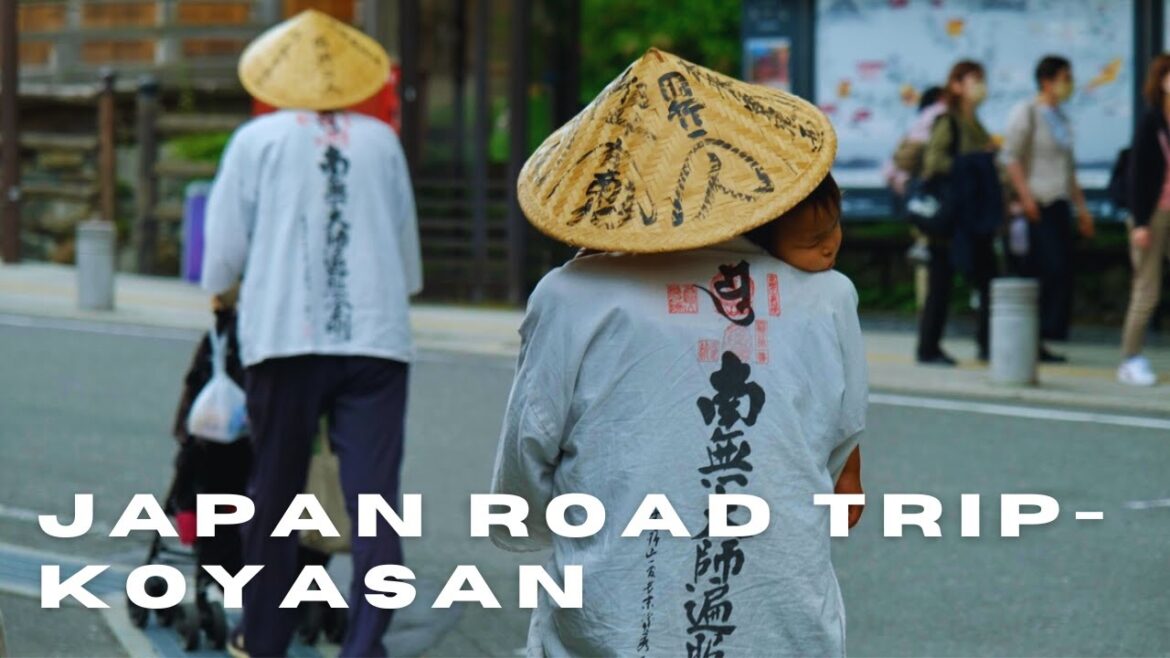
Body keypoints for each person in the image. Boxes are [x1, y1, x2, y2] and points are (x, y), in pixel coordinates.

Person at [491, 49, 866, 657]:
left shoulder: (572, 295)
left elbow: (528, 452)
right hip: (782, 621)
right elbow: (838, 466)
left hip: (615, 616)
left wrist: (541, 524)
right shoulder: (827, 296)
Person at [200, 10, 422, 658]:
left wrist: (227, 291)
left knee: (274, 492)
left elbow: (221, 257)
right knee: (375, 503)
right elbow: (407, 267)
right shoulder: (382, 142)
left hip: (284, 340)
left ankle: (263, 639)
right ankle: (364, 645)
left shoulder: (258, 140)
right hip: (377, 343)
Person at [1002, 55, 1094, 363]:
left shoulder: (1061, 118)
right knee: (1042, 270)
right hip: (1035, 206)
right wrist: (1025, 197)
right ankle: (1031, 338)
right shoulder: (1027, 112)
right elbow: (1010, 157)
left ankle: (1044, 337)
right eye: (1064, 77)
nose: (1069, 83)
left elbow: (1069, 171)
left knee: (1060, 272)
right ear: (1047, 80)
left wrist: (1082, 209)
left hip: (1058, 204)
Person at [916, 60, 1003, 365]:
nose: (980, 86)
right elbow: (933, 163)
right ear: (956, 85)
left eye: (982, 79)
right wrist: (975, 163)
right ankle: (928, 348)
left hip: (974, 217)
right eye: (973, 80)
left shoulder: (975, 122)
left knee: (988, 280)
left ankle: (989, 343)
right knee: (941, 283)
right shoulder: (948, 120)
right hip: (952, 218)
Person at [1119, 53, 1170, 386]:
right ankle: (1130, 359)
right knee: (1147, 289)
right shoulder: (1152, 121)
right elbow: (1138, 174)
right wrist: (1139, 223)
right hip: (1153, 215)